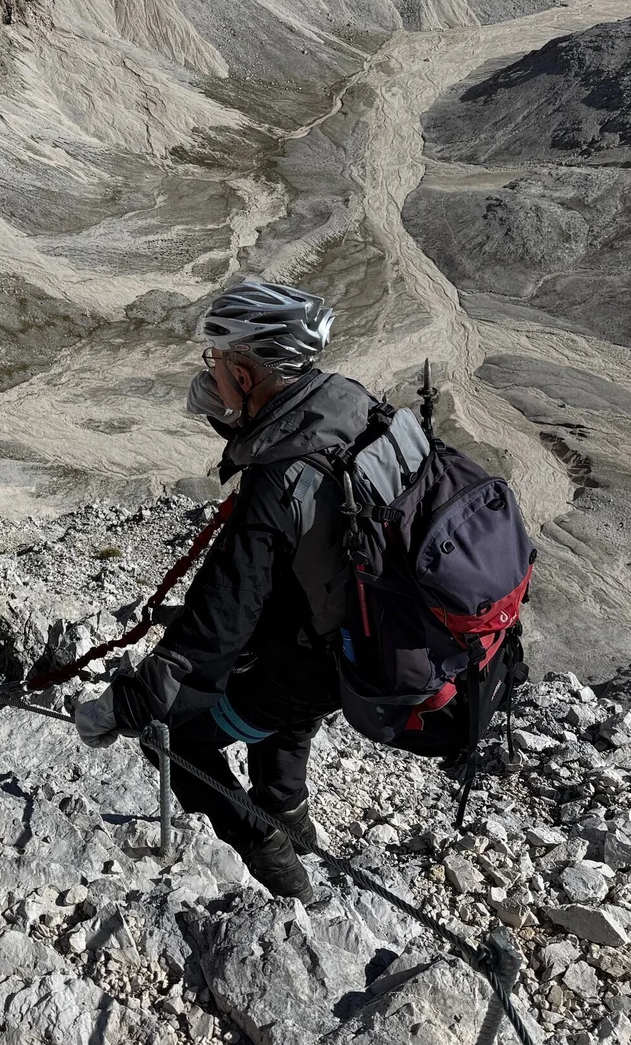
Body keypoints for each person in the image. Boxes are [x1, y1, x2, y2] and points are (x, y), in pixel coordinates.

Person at [72, 278, 431, 898]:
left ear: (244, 368)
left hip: (311, 657)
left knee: (179, 734)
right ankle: (290, 814)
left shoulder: (278, 482)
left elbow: (217, 622)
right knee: (287, 712)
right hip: (360, 639)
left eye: (216, 359)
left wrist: (134, 704)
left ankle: (270, 854)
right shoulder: (357, 407)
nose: (210, 371)